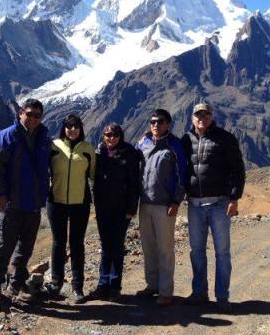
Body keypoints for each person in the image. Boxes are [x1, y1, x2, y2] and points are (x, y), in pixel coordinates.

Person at [0, 98, 51, 298]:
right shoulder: (6, 136)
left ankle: (16, 283)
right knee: (4, 246)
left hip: (34, 205)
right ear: (21, 112)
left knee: (25, 249)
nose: (33, 118)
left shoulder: (44, 138)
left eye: (37, 115)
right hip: (12, 203)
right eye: (29, 114)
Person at [181, 103, 245, 311]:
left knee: (222, 252)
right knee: (196, 251)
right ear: (192, 118)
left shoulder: (225, 138)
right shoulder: (186, 139)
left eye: (205, 115)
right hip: (194, 204)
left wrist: (234, 198)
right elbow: (180, 168)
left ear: (211, 117)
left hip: (219, 203)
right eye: (198, 115)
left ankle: (222, 297)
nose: (202, 118)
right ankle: (199, 292)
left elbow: (238, 169)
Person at [136, 108, 186, 306]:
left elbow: (182, 175)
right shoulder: (143, 143)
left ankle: (166, 291)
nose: (156, 125)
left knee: (165, 248)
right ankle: (152, 285)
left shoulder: (175, 145)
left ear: (168, 124)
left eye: (160, 121)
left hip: (165, 205)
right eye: (153, 121)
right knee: (148, 246)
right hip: (144, 203)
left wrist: (176, 201)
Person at [46, 114, 96, 303]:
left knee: (77, 244)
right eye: (69, 126)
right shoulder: (54, 146)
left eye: (76, 126)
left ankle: (77, 287)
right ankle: (56, 283)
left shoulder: (88, 149)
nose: (72, 129)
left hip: (80, 203)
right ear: (64, 128)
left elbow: (94, 175)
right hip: (56, 201)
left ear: (81, 128)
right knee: (58, 242)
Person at [90, 123, 142, 301]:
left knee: (117, 246)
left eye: (115, 135)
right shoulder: (99, 153)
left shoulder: (129, 153)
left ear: (120, 136)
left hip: (121, 207)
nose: (111, 138)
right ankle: (102, 285)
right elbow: (95, 181)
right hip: (103, 208)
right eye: (108, 135)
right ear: (103, 136)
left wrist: (131, 208)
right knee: (106, 246)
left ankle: (114, 285)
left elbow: (134, 183)